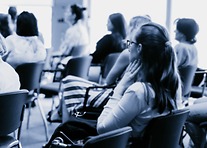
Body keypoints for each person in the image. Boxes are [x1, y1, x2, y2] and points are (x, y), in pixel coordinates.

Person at [45, 22, 182, 147]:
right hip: (141, 140)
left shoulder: (139, 91)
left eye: (130, 43)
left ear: (139, 48)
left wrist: (121, 87)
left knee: (66, 128)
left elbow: (102, 128)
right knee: (72, 125)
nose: (129, 47)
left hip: (122, 142)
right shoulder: (173, 84)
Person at [104, 15, 151, 85]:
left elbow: (108, 81)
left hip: (121, 93)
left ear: (132, 29)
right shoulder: (154, 54)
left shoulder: (128, 53)